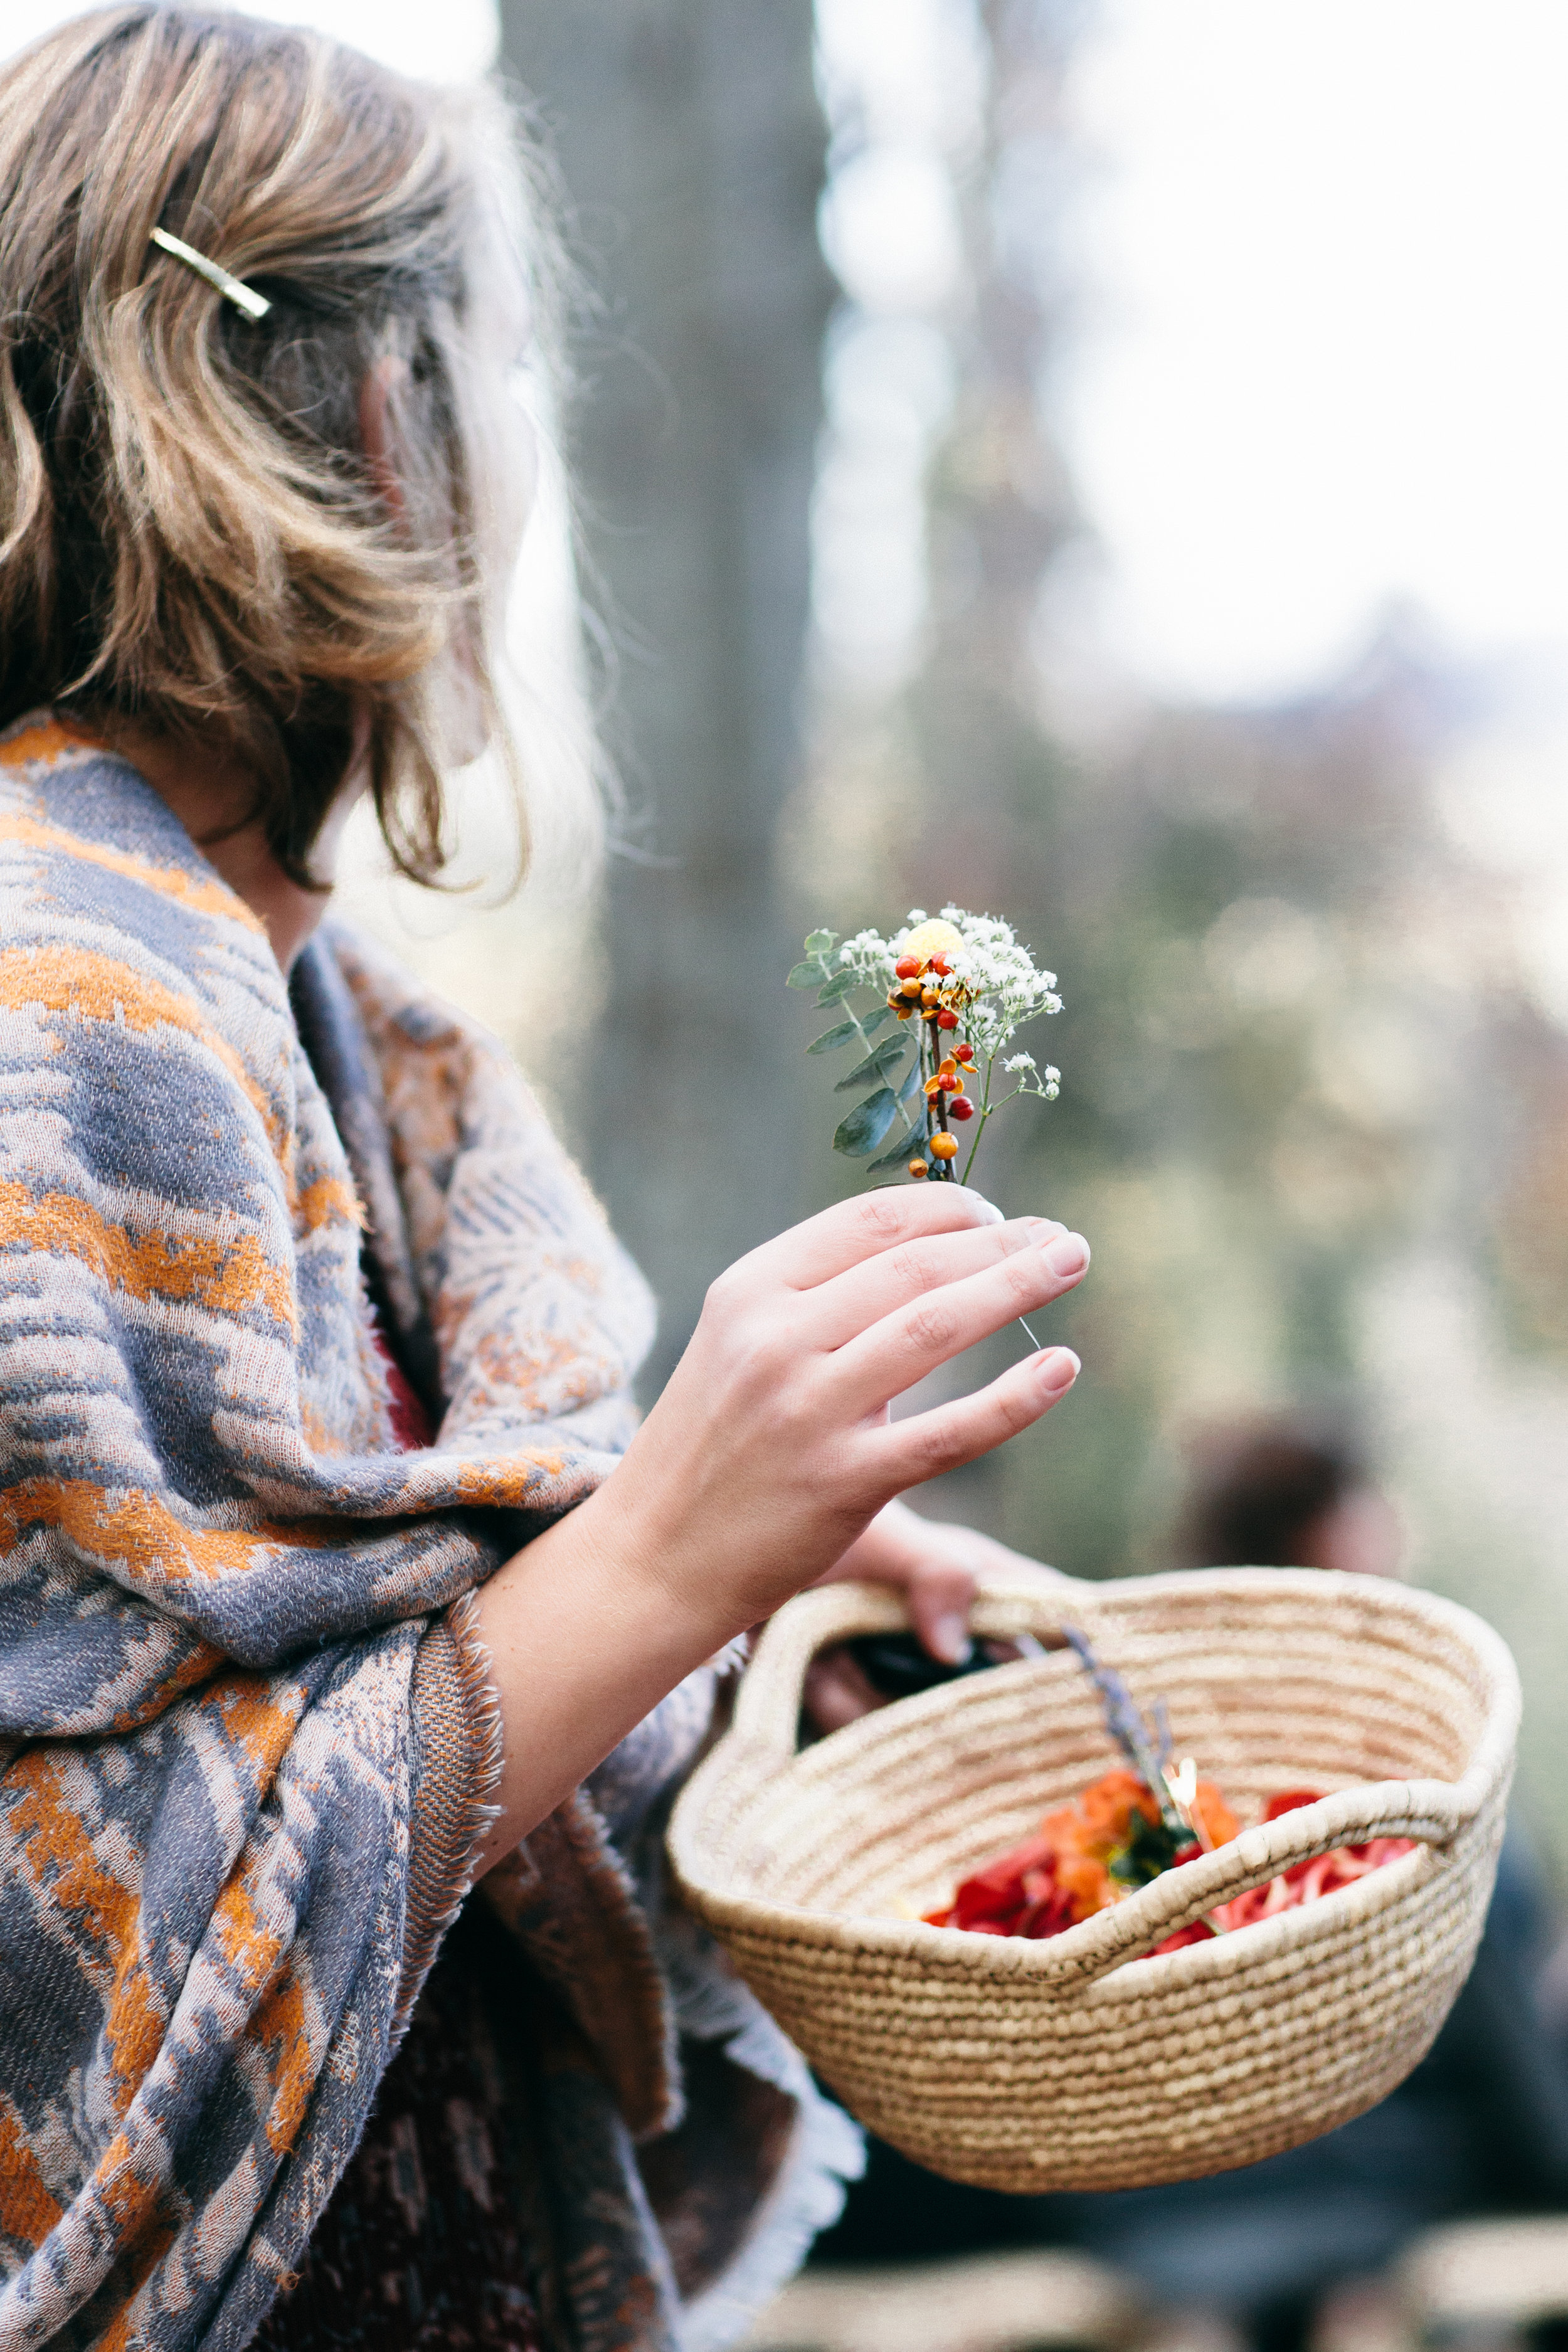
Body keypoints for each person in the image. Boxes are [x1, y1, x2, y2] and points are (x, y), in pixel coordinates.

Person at [0, 11, 1093, 2349]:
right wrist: (669, 1547)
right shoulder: (51, 1000)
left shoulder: (357, 1035)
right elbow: (75, 1940)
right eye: (501, 365)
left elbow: (368, 1679)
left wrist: (720, 1571)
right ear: (386, 419)